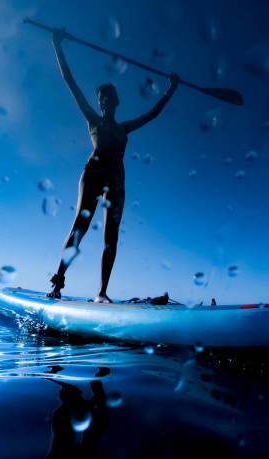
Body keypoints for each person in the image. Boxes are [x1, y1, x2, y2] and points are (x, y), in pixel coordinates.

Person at [47, 28, 179, 303]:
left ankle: (102, 293)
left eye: (108, 99)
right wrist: (56, 44)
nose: (104, 102)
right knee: (79, 228)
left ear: (116, 101)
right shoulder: (93, 120)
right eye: (101, 99)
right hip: (93, 175)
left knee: (111, 237)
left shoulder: (124, 128)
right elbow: (69, 81)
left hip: (117, 181)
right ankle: (57, 284)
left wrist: (171, 89)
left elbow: (153, 114)